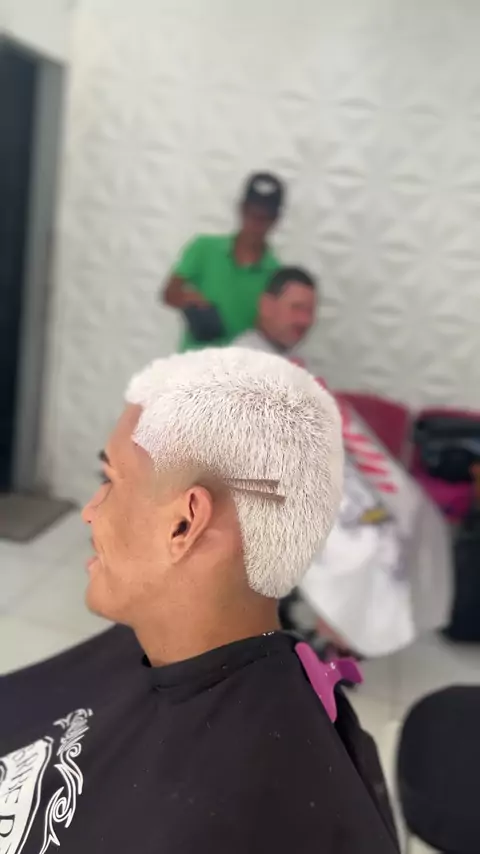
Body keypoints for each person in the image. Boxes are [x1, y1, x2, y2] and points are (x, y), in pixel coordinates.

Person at [0, 347, 399, 854]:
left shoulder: (241, 815)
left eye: (110, 482)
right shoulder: (153, 643)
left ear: (184, 524)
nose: (90, 511)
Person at [234, 268, 452, 659]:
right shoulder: (245, 360)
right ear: (266, 305)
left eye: (310, 310)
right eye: (296, 307)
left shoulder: (288, 361)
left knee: (406, 514)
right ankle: (334, 635)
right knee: (363, 542)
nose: (305, 319)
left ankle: (343, 630)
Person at [161, 172, 283, 351]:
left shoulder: (276, 275)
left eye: (264, 218)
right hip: (193, 362)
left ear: (276, 220)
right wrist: (189, 299)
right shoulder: (203, 248)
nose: (256, 224)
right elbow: (168, 294)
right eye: (251, 214)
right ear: (240, 209)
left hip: (239, 366)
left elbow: (270, 331)